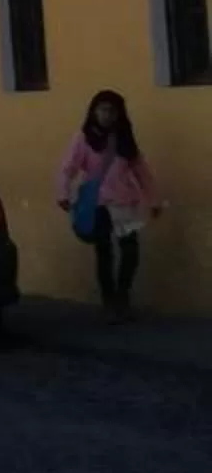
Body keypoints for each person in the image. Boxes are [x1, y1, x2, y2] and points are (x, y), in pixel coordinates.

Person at [56, 89, 165, 322]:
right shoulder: (84, 138)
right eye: (102, 110)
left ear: (119, 114)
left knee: (130, 252)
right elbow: (68, 167)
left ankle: (122, 295)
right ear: (94, 111)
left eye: (112, 111)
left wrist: (154, 199)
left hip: (125, 202)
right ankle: (109, 303)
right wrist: (62, 192)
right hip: (98, 203)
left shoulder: (125, 138)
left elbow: (141, 171)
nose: (107, 115)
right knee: (104, 253)